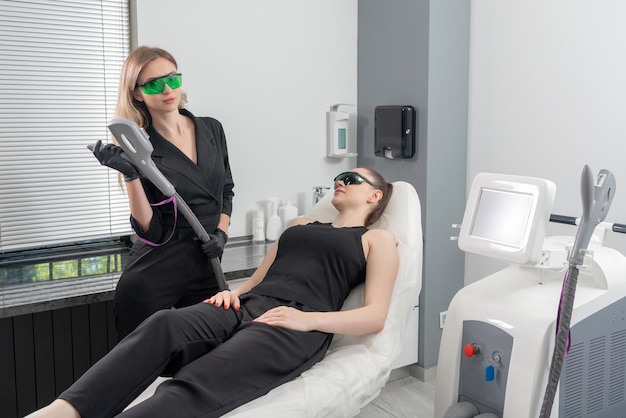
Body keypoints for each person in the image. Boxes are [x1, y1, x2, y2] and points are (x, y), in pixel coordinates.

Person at [34, 167, 399, 418]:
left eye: (351, 178)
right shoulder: (300, 225)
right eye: (338, 177)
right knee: (163, 324)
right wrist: (234, 293)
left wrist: (306, 320)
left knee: (206, 375)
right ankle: (68, 409)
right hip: (246, 304)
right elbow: (260, 277)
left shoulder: (376, 240)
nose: (340, 181)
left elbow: (375, 317)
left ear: (374, 195)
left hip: (294, 324)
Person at [89, 46, 235, 338]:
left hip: (206, 260)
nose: (168, 89)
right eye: (155, 83)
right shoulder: (140, 148)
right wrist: (130, 173)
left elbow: (226, 192)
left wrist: (221, 234)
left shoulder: (212, 129)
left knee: (219, 346)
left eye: (173, 78)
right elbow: (151, 230)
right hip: (156, 269)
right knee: (140, 364)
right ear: (137, 93)